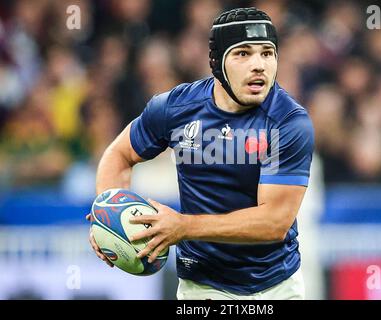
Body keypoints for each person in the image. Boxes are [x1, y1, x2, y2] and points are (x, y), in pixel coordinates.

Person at [87, 7, 314, 300]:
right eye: (243, 53)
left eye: (267, 53)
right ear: (217, 62)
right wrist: (106, 216)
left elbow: (273, 223)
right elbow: (119, 154)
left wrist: (183, 227)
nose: (259, 65)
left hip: (277, 288)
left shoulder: (288, 122)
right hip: (201, 288)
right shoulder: (175, 107)